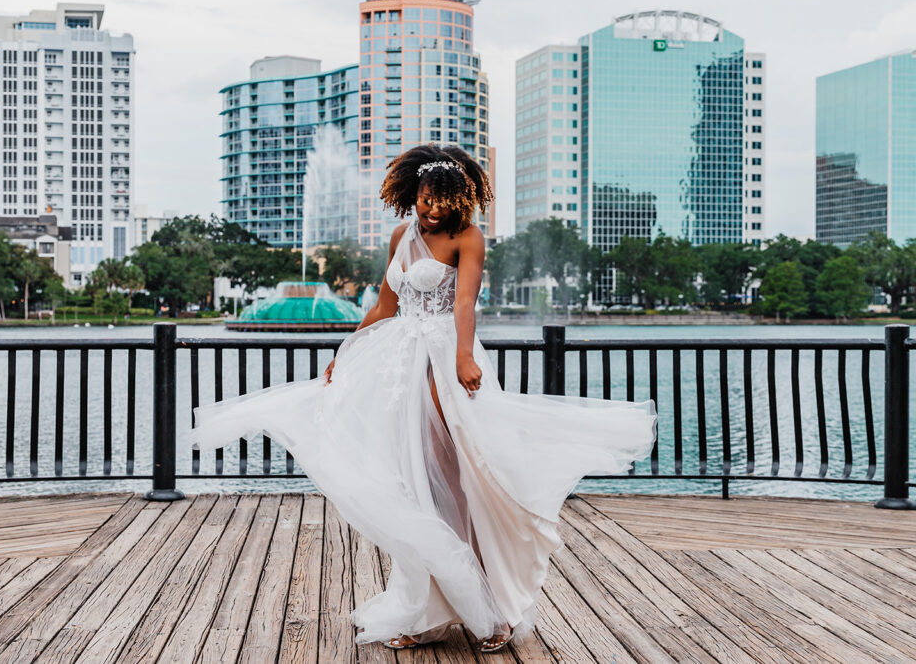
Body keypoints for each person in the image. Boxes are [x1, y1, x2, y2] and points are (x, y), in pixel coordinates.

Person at [189, 144, 657, 653]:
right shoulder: (401, 235)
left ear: (459, 200)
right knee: (412, 487)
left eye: (440, 203)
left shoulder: (468, 238)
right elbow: (385, 305)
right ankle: (424, 609)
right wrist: (346, 351)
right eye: (423, 201)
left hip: (441, 360)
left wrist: (462, 359)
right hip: (394, 364)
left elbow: (463, 305)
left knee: (462, 483)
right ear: (412, 194)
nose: (430, 211)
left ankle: (490, 609)